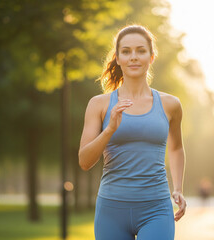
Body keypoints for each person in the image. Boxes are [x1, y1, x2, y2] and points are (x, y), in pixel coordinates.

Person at [78, 25, 187, 240]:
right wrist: (110, 129)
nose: (133, 57)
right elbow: (84, 161)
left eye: (141, 50)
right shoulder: (99, 105)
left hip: (156, 208)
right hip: (111, 209)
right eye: (126, 51)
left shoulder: (170, 104)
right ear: (117, 58)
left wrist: (178, 188)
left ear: (151, 57)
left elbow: (176, 147)